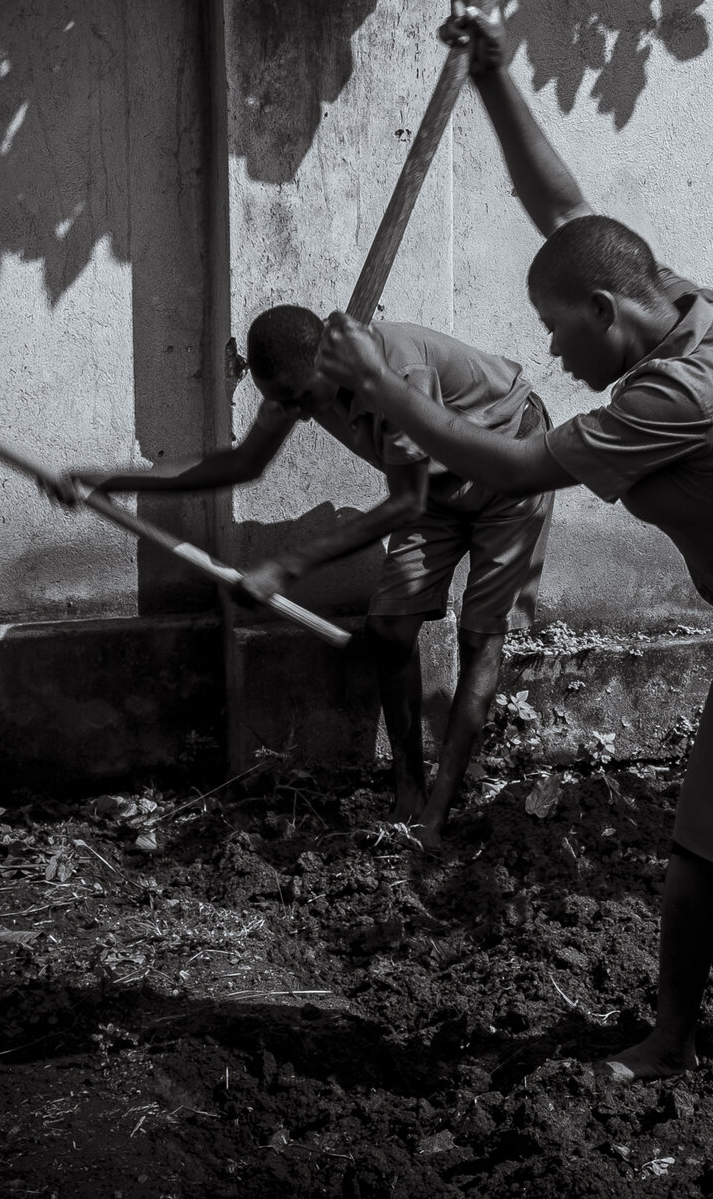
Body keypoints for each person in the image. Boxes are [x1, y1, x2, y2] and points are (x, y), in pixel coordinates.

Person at [312, 6, 713, 1148]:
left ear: (611, 315)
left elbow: (508, 462)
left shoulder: (675, 396)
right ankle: (669, 1037)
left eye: (562, 334)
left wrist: (383, 380)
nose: (555, 356)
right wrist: (501, 79)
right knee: (701, 850)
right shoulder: (689, 304)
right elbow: (569, 216)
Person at [62, 308, 553, 849]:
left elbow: (404, 503)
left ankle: (439, 810)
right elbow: (242, 463)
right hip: (434, 485)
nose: (292, 413)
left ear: (325, 361)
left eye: (298, 398)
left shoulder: (401, 374)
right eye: (282, 402)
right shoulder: (298, 386)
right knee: (389, 631)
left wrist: (286, 567)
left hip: (512, 461)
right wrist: (113, 477)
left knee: (480, 637)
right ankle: (409, 792)